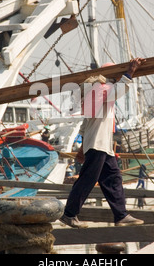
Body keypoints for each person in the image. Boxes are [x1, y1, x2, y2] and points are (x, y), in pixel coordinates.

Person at [60, 58, 145, 228]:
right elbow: (119, 90)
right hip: (98, 144)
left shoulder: (96, 93)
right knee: (88, 179)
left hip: (102, 146)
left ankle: (121, 215)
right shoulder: (102, 88)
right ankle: (69, 214)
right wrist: (130, 72)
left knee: (113, 179)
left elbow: (85, 126)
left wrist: (82, 148)